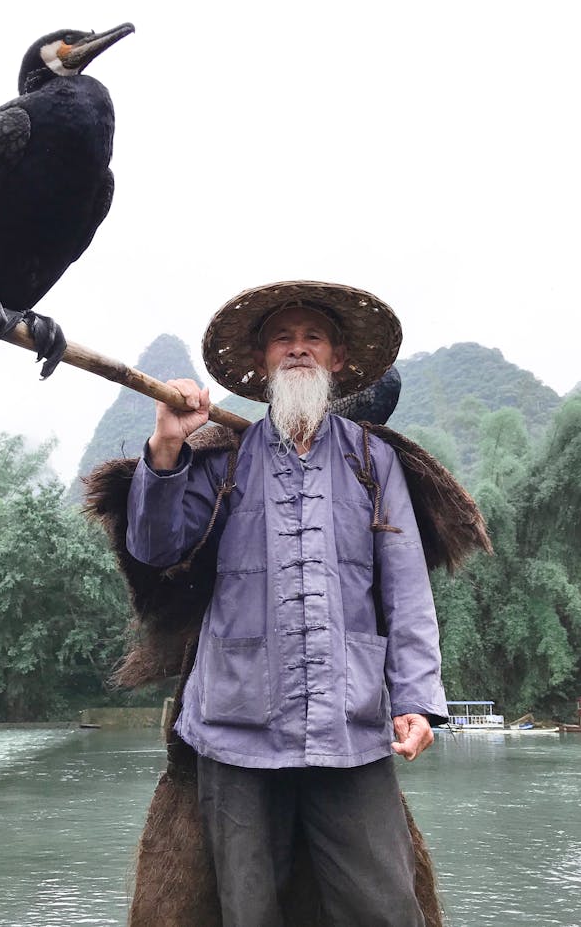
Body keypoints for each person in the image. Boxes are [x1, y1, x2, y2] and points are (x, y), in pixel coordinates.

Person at [124, 280, 449, 927]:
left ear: (335, 359)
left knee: (386, 910)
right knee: (247, 911)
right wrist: (167, 448)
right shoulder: (222, 459)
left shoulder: (371, 461)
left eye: (313, 338)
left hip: (350, 727)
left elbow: (406, 588)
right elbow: (156, 548)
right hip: (237, 725)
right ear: (263, 360)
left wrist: (415, 699)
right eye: (283, 338)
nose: (298, 349)